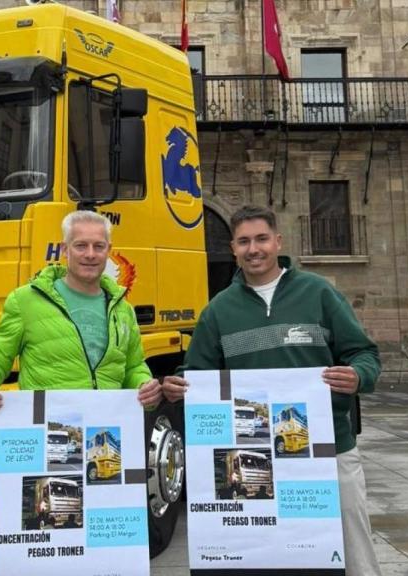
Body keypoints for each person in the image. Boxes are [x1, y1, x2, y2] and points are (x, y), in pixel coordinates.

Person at [163, 205, 383, 576]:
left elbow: (364, 353)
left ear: (278, 241)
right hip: (253, 455)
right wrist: (176, 385)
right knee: (266, 554)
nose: (254, 249)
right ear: (233, 248)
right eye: (244, 241)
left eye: (261, 239)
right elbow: (197, 373)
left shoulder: (318, 294)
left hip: (329, 448)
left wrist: (359, 375)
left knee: (352, 548)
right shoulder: (218, 311)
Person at [0, 210, 162, 414]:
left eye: (98, 246)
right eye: (80, 245)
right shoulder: (25, 301)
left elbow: (132, 366)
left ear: (108, 250)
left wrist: (144, 385)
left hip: (105, 429)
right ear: (65, 250)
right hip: (49, 430)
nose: (90, 254)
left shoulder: (123, 310)